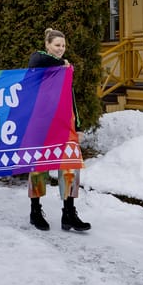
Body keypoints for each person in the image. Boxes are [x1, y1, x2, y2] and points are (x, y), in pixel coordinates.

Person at [25, 28, 90, 232]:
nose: (61, 49)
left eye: (63, 46)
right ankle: (35, 211)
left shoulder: (64, 68)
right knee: (38, 168)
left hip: (64, 124)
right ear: (47, 45)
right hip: (41, 124)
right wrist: (62, 64)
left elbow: (71, 98)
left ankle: (69, 213)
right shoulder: (40, 62)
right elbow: (36, 59)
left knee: (70, 167)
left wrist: (78, 126)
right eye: (57, 45)